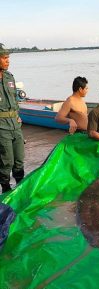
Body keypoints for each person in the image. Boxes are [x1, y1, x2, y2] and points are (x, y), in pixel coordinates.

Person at [0, 44, 25, 193]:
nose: (7, 60)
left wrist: (17, 115)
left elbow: (14, 101)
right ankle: (6, 188)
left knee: (20, 159)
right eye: (4, 58)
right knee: (6, 161)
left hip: (15, 125)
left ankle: (20, 186)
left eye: (8, 57)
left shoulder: (10, 77)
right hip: (1, 126)